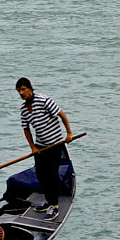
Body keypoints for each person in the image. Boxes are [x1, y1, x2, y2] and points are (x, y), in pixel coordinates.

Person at [18, 77, 74, 220]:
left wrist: (69, 133)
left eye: (23, 89)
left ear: (30, 89)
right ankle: (48, 200)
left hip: (55, 144)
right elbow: (26, 129)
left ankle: (54, 206)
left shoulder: (44, 100)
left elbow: (61, 114)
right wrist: (33, 147)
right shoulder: (24, 109)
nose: (21, 93)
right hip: (41, 147)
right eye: (19, 90)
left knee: (51, 176)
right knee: (41, 175)